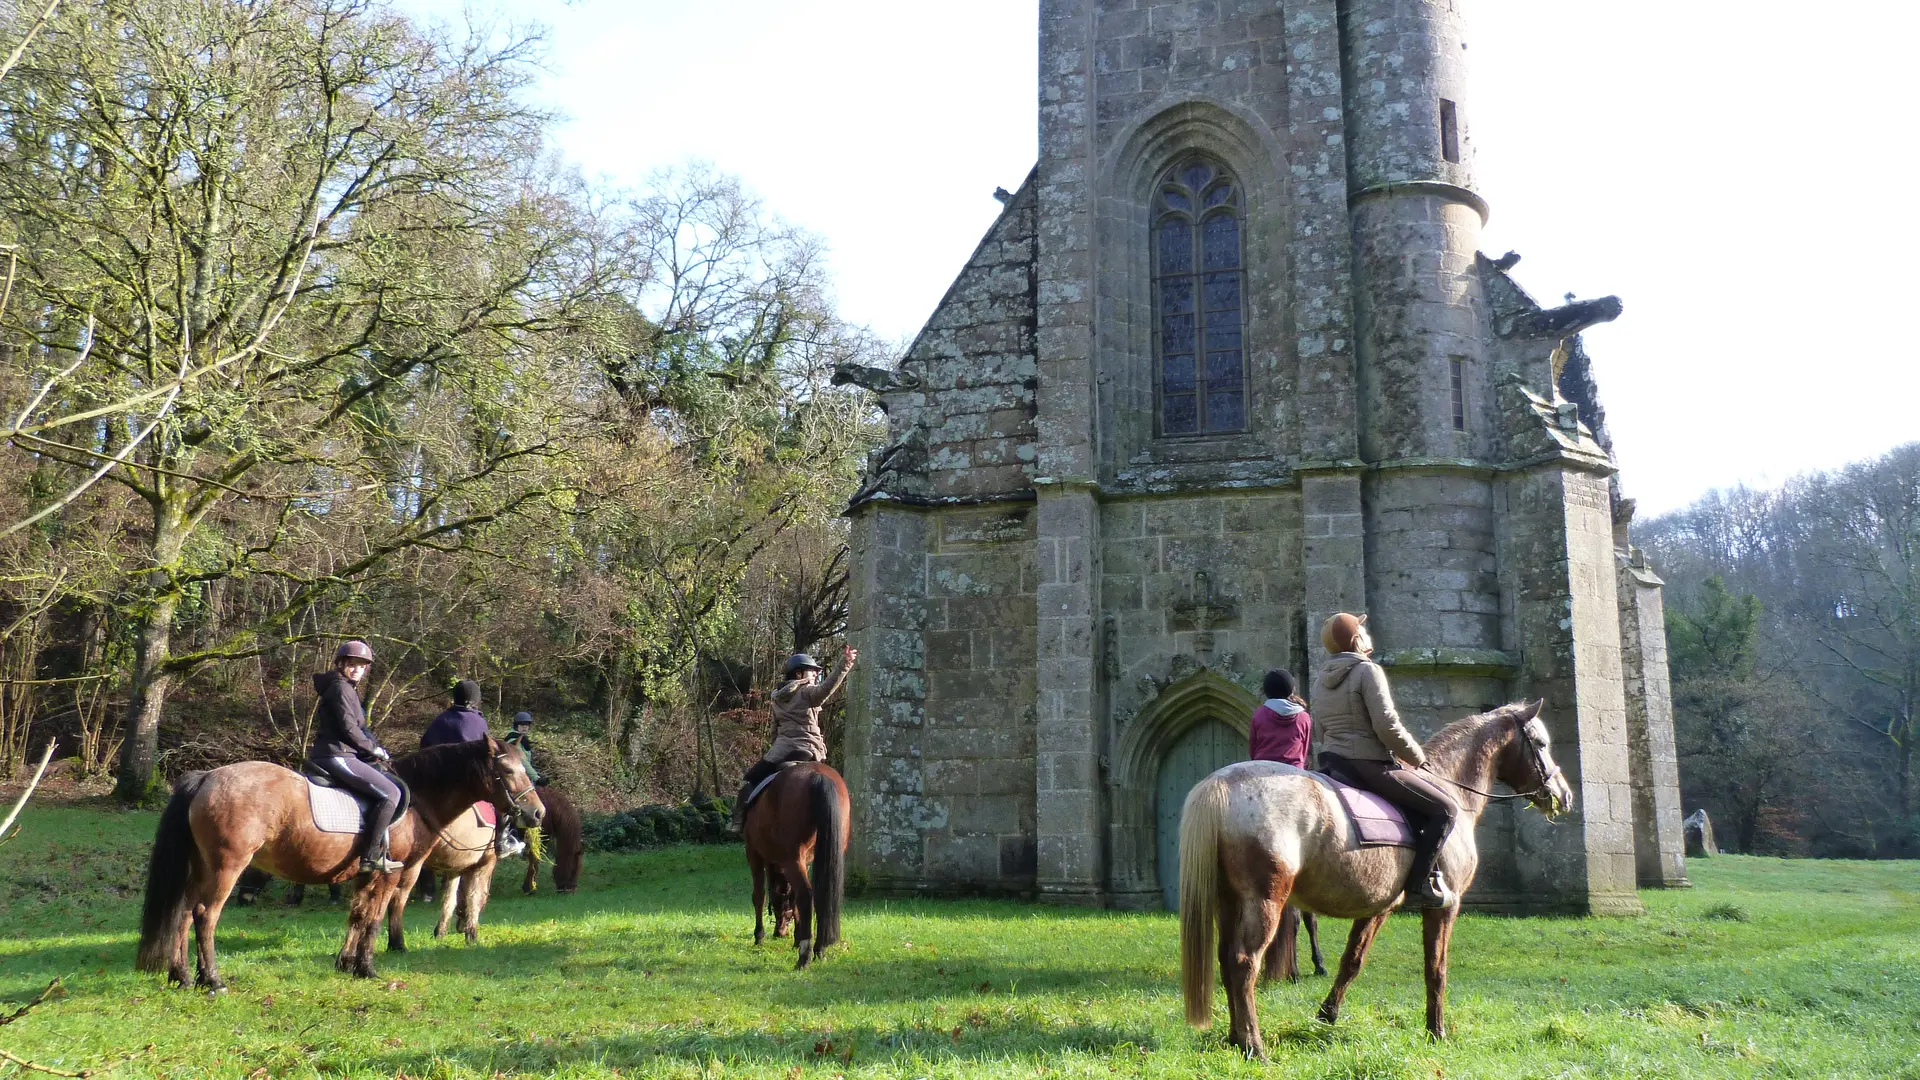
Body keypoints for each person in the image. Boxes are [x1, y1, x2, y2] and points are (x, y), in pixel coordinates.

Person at [1314, 613, 1460, 908]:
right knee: (1445, 810)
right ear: (1356, 639)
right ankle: (1419, 886)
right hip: (1368, 764)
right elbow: (1387, 726)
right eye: (1363, 631)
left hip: (1334, 762)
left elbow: (1320, 728)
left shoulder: (1320, 679)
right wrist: (1417, 757)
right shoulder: (1367, 671)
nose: (1368, 636)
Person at [729, 645, 858, 831]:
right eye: (812, 672)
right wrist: (845, 664)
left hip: (782, 751)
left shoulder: (777, 699)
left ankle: (738, 821)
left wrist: (776, 750)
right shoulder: (806, 692)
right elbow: (827, 688)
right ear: (799, 674)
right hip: (811, 750)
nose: (815, 676)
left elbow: (775, 731)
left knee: (750, 779)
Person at [308, 640, 404, 873]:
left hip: (344, 751)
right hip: (337, 754)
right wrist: (372, 750)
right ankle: (370, 857)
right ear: (341, 664)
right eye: (352, 664)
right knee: (391, 793)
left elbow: (361, 728)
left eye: (361, 666)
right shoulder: (340, 688)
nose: (357, 669)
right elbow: (348, 729)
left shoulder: (347, 688)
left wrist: (374, 747)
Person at [1248, 668, 1311, 769]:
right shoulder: (1303, 717)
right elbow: (1304, 749)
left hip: (1263, 768)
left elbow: (1253, 748)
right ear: (1291, 689)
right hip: (1293, 769)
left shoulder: (1259, 714)